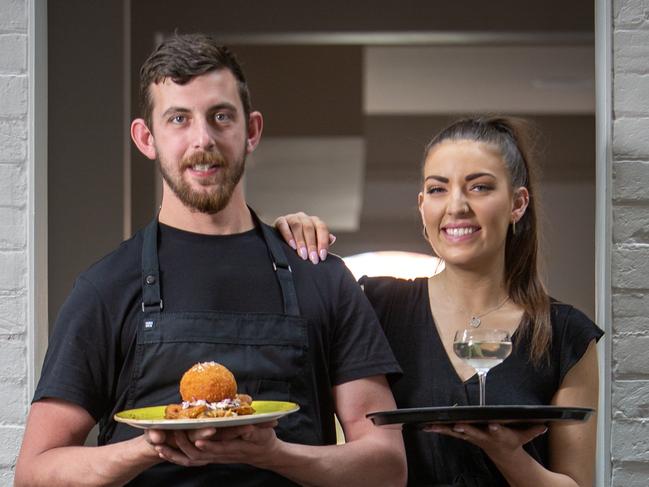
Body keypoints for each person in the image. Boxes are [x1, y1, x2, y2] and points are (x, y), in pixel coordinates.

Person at [14, 33, 407, 487]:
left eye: (221, 116)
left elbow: (387, 465)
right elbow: (34, 472)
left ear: (252, 130)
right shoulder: (106, 287)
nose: (203, 139)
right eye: (179, 119)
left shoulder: (322, 277)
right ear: (146, 138)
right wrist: (147, 446)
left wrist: (277, 455)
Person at [275, 117, 603, 486]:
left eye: (479, 187)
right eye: (437, 189)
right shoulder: (378, 307)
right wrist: (284, 239)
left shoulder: (566, 335)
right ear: (421, 206)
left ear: (517, 203)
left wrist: (508, 454)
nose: (457, 206)